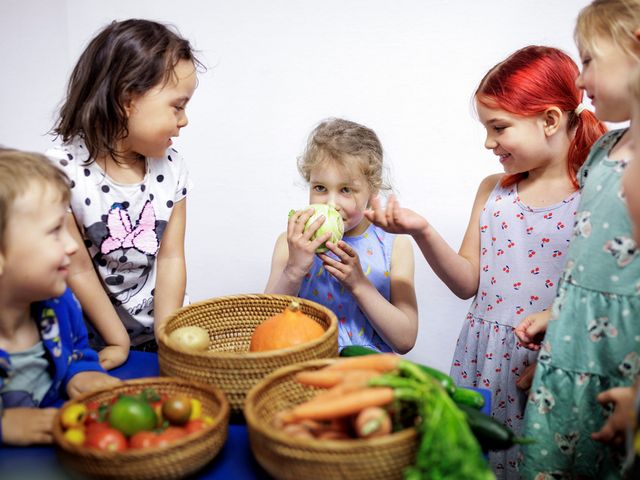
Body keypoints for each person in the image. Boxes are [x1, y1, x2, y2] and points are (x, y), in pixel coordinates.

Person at [366, 46, 606, 478]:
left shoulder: (594, 194)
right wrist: (421, 230)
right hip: (484, 359)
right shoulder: (494, 191)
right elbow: (466, 283)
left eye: (499, 127)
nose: (489, 142)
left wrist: (557, 358)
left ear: (550, 120)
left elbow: (598, 299)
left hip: (551, 362)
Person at [515, 1, 640, 477]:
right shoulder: (606, 150)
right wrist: (561, 317)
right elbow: (589, 262)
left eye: (588, 60)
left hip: (625, 365)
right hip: (573, 351)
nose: (580, 80)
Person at [47, 19, 201, 369]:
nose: (185, 119)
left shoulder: (172, 168)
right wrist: (117, 340)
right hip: (91, 341)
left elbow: (170, 258)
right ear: (127, 100)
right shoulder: (60, 173)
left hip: (156, 333)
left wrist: (167, 337)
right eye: (177, 106)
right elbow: (79, 270)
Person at [265, 118, 418, 354]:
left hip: (367, 371)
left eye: (346, 190)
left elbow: (405, 340)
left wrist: (358, 284)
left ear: (373, 189)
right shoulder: (290, 243)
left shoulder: (394, 245)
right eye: (320, 188)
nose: (331, 203)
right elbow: (265, 326)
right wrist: (293, 271)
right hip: (304, 364)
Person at [0, 149, 119, 446]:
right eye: (55, 232)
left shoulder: (60, 303)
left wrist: (81, 374)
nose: (73, 247)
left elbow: (78, 352)